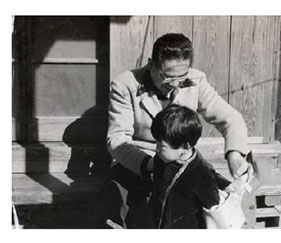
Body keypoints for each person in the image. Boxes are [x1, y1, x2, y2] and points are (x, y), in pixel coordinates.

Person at [89, 33, 251, 228]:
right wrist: (151, 165)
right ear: (151, 65)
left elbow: (230, 118)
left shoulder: (196, 81)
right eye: (168, 77)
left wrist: (235, 154)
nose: (175, 84)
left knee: (218, 202)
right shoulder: (125, 85)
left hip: (181, 159)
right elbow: (117, 139)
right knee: (134, 211)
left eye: (181, 78)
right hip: (139, 163)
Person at [149, 104, 232, 228]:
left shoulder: (200, 174)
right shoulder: (162, 160)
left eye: (161, 146)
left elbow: (214, 209)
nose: (156, 149)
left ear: (185, 147)